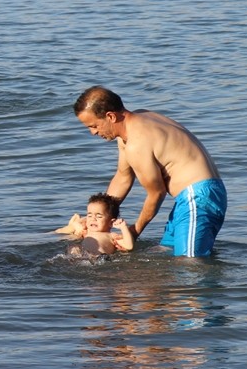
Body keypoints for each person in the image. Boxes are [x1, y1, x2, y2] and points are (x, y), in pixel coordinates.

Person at [73, 86, 226, 257]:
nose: (93, 132)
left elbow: (156, 193)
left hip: (197, 198)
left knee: (190, 264)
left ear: (110, 116)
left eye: (94, 125)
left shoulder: (137, 142)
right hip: (192, 197)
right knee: (166, 253)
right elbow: (123, 177)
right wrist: (99, 215)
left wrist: (135, 231)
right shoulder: (137, 121)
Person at [54, 192, 135, 257]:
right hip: (83, 255)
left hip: (100, 257)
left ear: (111, 222)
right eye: (89, 215)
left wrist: (123, 227)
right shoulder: (85, 233)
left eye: (99, 216)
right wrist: (74, 224)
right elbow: (61, 233)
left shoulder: (112, 236)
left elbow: (129, 246)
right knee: (73, 248)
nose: (93, 219)